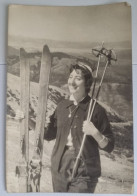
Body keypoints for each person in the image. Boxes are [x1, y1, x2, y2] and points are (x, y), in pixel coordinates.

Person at [43, 61, 114, 193]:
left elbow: (109, 146)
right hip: (59, 167)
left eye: (78, 78)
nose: (72, 82)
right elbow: (49, 134)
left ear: (87, 83)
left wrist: (95, 133)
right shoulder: (62, 106)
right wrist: (27, 120)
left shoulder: (96, 110)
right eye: (70, 77)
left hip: (85, 169)